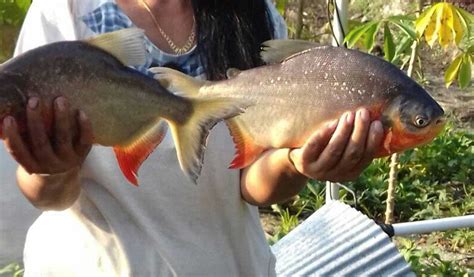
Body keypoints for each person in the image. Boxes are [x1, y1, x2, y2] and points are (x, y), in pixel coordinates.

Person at [3, 0, 384, 275]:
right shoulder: (63, 11)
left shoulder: (254, 15)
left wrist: (296, 162)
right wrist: (52, 170)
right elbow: (46, 195)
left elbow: (252, 184)